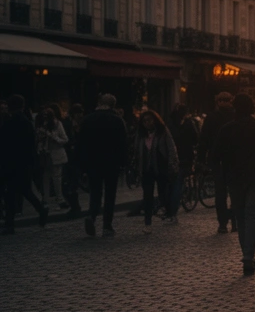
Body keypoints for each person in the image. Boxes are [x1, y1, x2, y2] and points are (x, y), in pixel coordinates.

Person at [215, 94, 255, 275]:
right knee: (251, 215)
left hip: (234, 178)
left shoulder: (226, 129)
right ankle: (248, 255)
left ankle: (247, 254)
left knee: (240, 216)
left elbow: (219, 155)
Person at [79, 95, 127, 238]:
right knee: (110, 194)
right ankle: (107, 226)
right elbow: (123, 143)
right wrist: (123, 162)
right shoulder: (117, 120)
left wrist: (82, 165)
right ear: (113, 105)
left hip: (93, 162)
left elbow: (81, 144)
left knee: (95, 192)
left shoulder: (87, 120)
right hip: (111, 162)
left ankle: (92, 215)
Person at [0, 95, 48, 233]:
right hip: (24, 163)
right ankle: (40, 209)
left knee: (11, 193)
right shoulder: (26, 122)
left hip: (11, 163)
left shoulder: (9, 122)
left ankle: (10, 224)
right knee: (25, 191)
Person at [199, 91, 236, 235]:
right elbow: (204, 139)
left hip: (223, 159)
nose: (223, 102)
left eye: (225, 100)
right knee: (226, 193)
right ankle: (228, 221)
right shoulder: (230, 116)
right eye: (221, 100)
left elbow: (204, 140)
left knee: (225, 193)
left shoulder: (216, 117)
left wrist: (202, 159)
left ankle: (226, 222)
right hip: (223, 160)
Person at [136, 109, 179, 229]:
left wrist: (172, 164)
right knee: (147, 196)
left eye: (149, 120)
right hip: (146, 169)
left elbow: (171, 148)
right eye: (144, 121)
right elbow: (137, 151)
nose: (147, 123)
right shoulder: (141, 135)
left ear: (155, 120)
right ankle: (147, 222)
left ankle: (170, 213)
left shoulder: (163, 131)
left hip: (161, 167)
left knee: (163, 194)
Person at [168, 104, 200, 218]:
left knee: (172, 183)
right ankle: (172, 212)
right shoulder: (188, 123)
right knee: (178, 183)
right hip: (185, 156)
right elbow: (196, 139)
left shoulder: (169, 124)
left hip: (170, 157)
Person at [35, 107, 70, 210]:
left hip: (55, 154)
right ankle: (46, 199)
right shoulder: (40, 126)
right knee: (46, 178)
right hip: (45, 154)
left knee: (56, 178)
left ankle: (60, 199)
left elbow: (64, 140)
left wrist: (52, 136)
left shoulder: (57, 124)